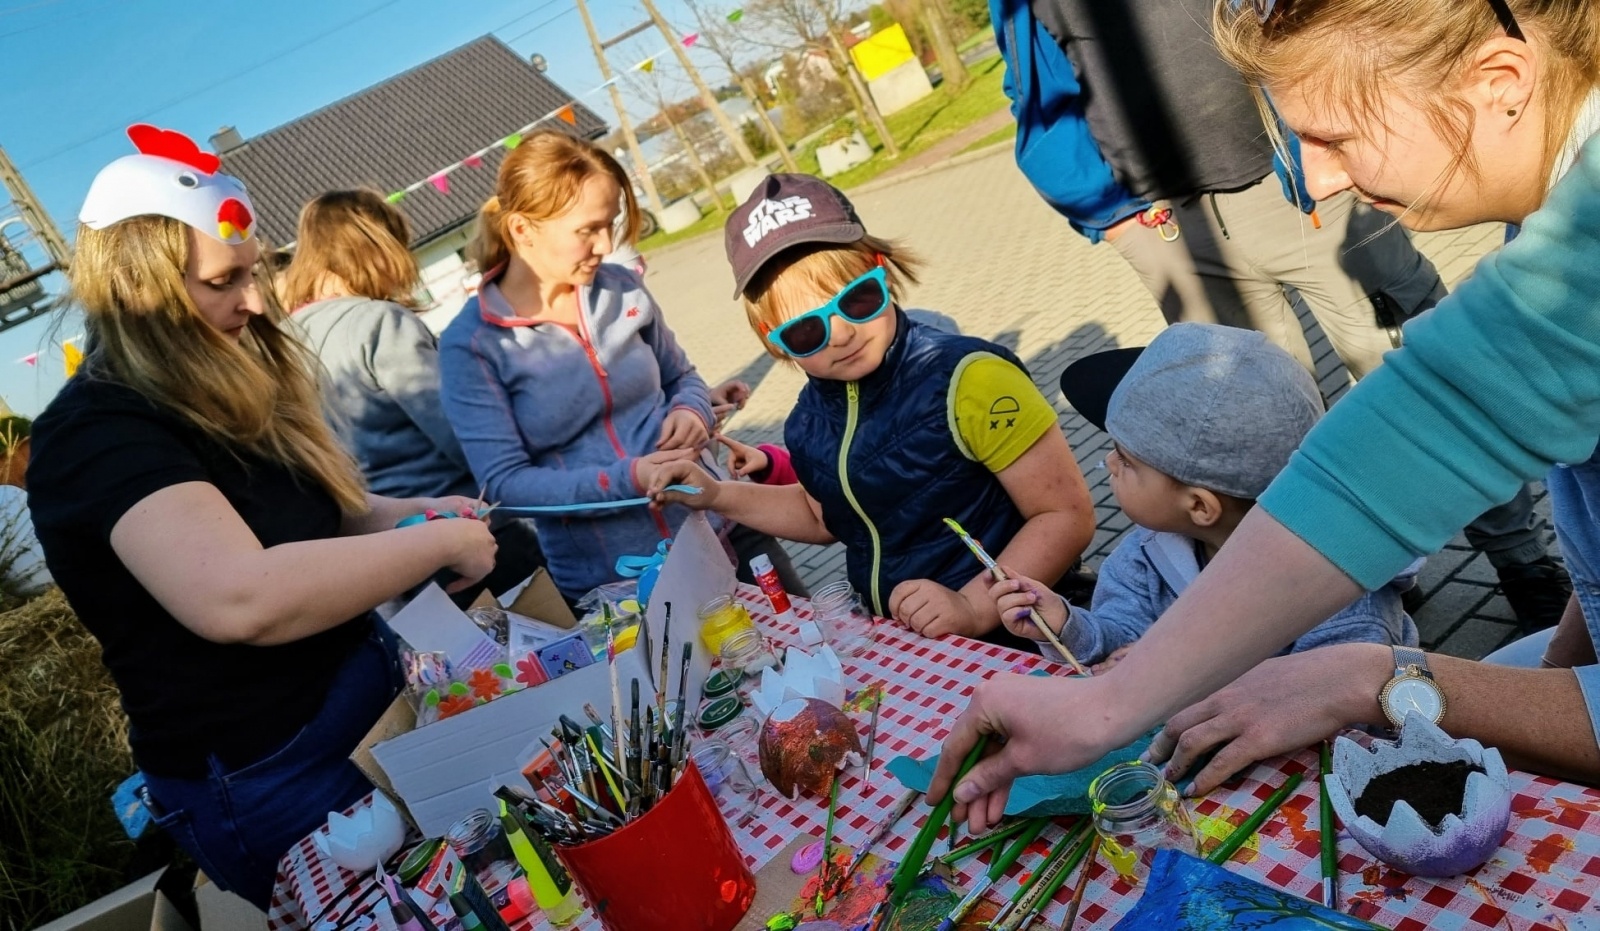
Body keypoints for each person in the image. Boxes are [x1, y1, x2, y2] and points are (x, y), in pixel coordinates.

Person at [929, 0, 1600, 831]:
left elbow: (1419, 434)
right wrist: (1561, 664)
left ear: (1499, 82)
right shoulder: (1556, 214)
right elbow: (1418, 437)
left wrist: (1377, 678)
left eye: (1335, 138)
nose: (1315, 183)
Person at [26, 126, 498, 904]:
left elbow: (312, 518)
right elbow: (242, 596)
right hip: (272, 770)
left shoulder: (212, 383)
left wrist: (415, 511)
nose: (252, 300)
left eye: (252, 273)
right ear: (139, 286)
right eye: (223, 281)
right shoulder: (97, 433)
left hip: (366, 711)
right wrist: (437, 542)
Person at [991, 0, 1569, 632]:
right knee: (1242, 435)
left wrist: (1322, 140)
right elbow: (1037, 80)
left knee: (1419, 380)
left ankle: (1520, 560)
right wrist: (1108, 212)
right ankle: (1330, 590)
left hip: (1310, 166)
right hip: (1170, 222)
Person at [649, 173, 1096, 645]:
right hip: (912, 642)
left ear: (882, 270)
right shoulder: (807, 421)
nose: (842, 332)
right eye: (807, 330)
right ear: (773, 340)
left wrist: (971, 607)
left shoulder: (971, 377)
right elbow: (821, 516)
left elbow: (1064, 515)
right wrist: (716, 494)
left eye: (858, 299)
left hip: (1024, 633)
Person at [437, 131, 798, 602]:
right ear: (523, 230)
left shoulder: (623, 287)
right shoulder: (472, 344)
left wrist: (691, 410)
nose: (606, 244)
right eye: (587, 230)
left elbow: (681, 376)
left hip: (727, 528)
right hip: (618, 581)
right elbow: (505, 486)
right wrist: (627, 479)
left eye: (610, 224)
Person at [992, 323, 1418, 670]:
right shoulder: (1143, 556)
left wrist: (1174, 680)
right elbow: (1123, 639)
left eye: (1127, 459)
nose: (1108, 461)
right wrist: (1067, 626)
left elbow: (1332, 703)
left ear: (1199, 506)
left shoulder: (1340, 595)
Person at [283, 190, 543, 602]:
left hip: (383, 555)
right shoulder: (379, 323)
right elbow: (461, 433)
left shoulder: (282, 341)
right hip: (465, 533)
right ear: (378, 247)